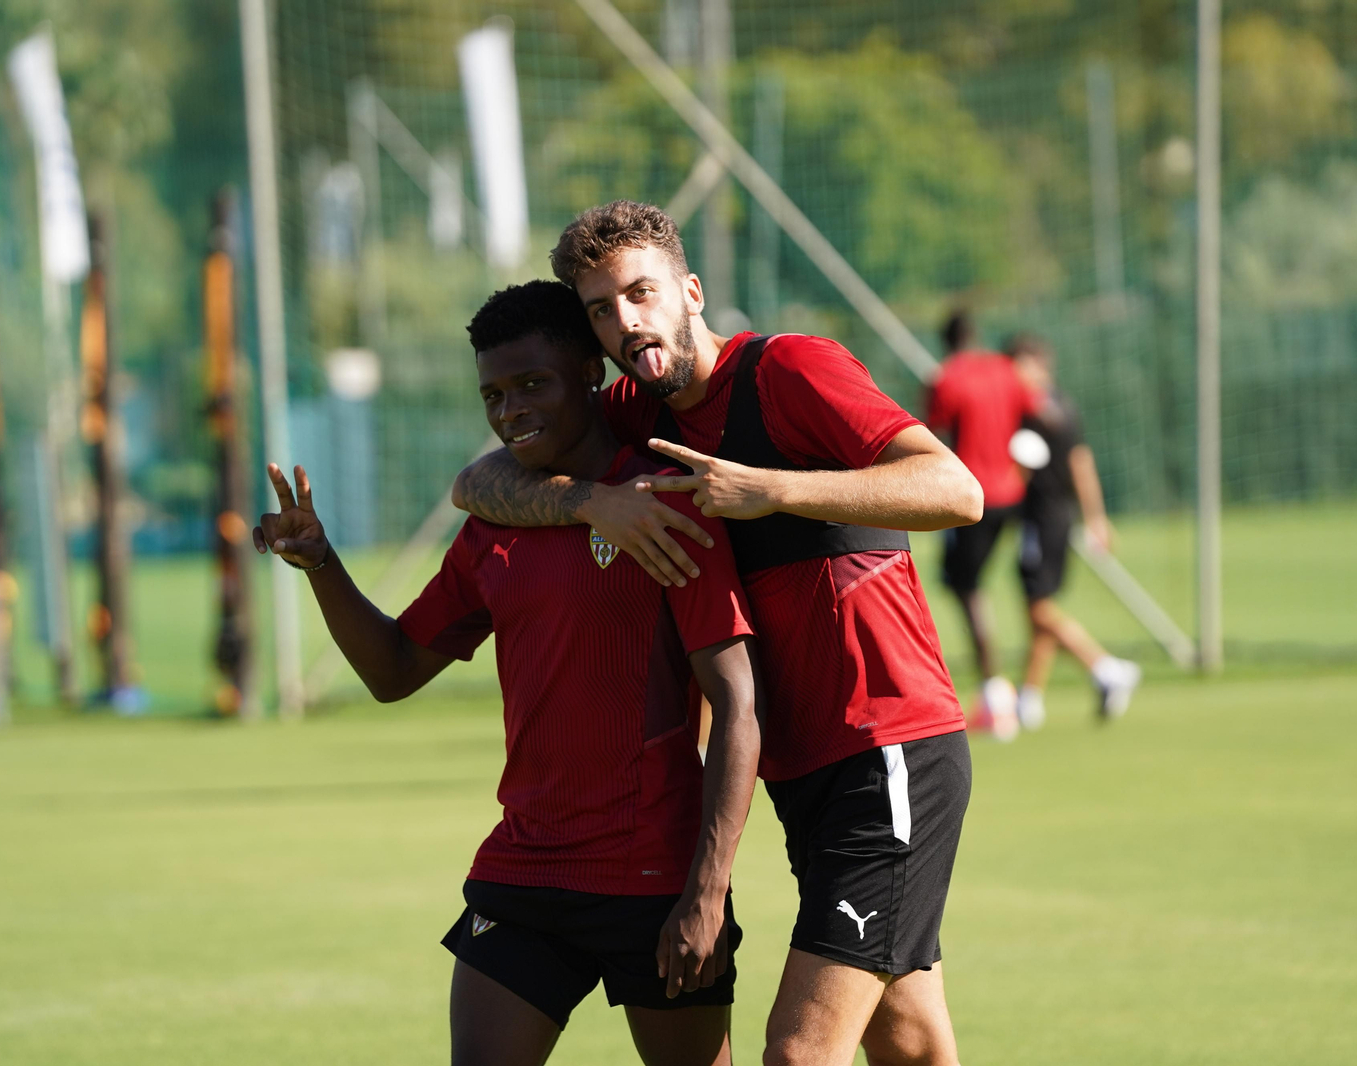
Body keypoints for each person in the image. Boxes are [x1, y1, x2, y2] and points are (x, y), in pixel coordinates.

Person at [451, 201, 983, 1066]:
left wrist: (774, 489)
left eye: (640, 293)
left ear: (689, 291)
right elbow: (477, 485)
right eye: (599, 309)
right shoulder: (632, 412)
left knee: (800, 1052)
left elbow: (956, 491)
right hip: (801, 767)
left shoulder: (790, 370)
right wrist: (588, 503)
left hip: (888, 746)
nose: (626, 323)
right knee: (911, 1040)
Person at [253, 280, 761, 1066]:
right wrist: (322, 565)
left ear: (593, 375)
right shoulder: (497, 520)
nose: (510, 409)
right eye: (493, 393)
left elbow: (737, 707)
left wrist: (706, 893)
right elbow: (393, 671)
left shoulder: (665, 503)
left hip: (654, 874)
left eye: (532, 385)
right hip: (526, 866)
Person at [1006, 333, 1142, 728]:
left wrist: (1096, 517)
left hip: (1042, 519)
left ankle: (1105, 668)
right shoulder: (1062, 405)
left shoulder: (1037, 411)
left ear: (1035, 364)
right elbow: (1082, 461)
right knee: (1039, 605)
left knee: (1038, 607)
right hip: (1057, 517)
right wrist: (1095, 517)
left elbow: (1076, 462)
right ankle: (1028, 699)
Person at [923, 310, 1038, 741]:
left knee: (966, 589)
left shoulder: (947, 378)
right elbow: (1034, 416)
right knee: (975, 586)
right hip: (1013, 494)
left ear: (947, 341)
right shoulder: (1008, 370)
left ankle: (996, 699)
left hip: (971, 500)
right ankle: (1004, 692)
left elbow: (929, 436)